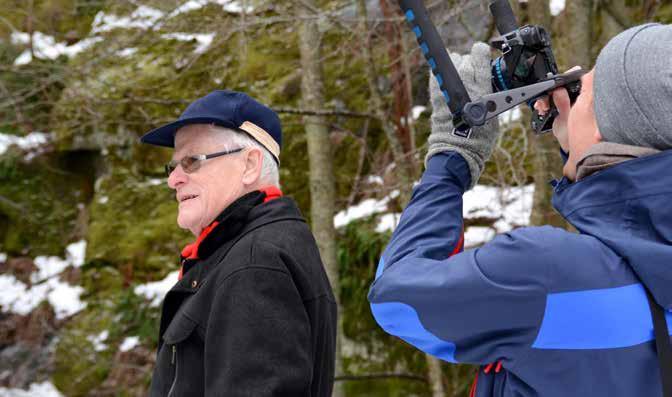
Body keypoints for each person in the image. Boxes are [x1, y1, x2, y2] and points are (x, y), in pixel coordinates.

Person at [368, 23, 672, 396]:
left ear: (600, 130)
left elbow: (394, 296)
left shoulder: (543, 275)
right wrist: (581, 150)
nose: (572, 96)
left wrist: (451, 157)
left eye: (585, 93)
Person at [140, 90, 337, 396]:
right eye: (174, 166)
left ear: (249, 165)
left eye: (192, 161)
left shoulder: (255, 263)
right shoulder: (248, 252)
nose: (173, 179)